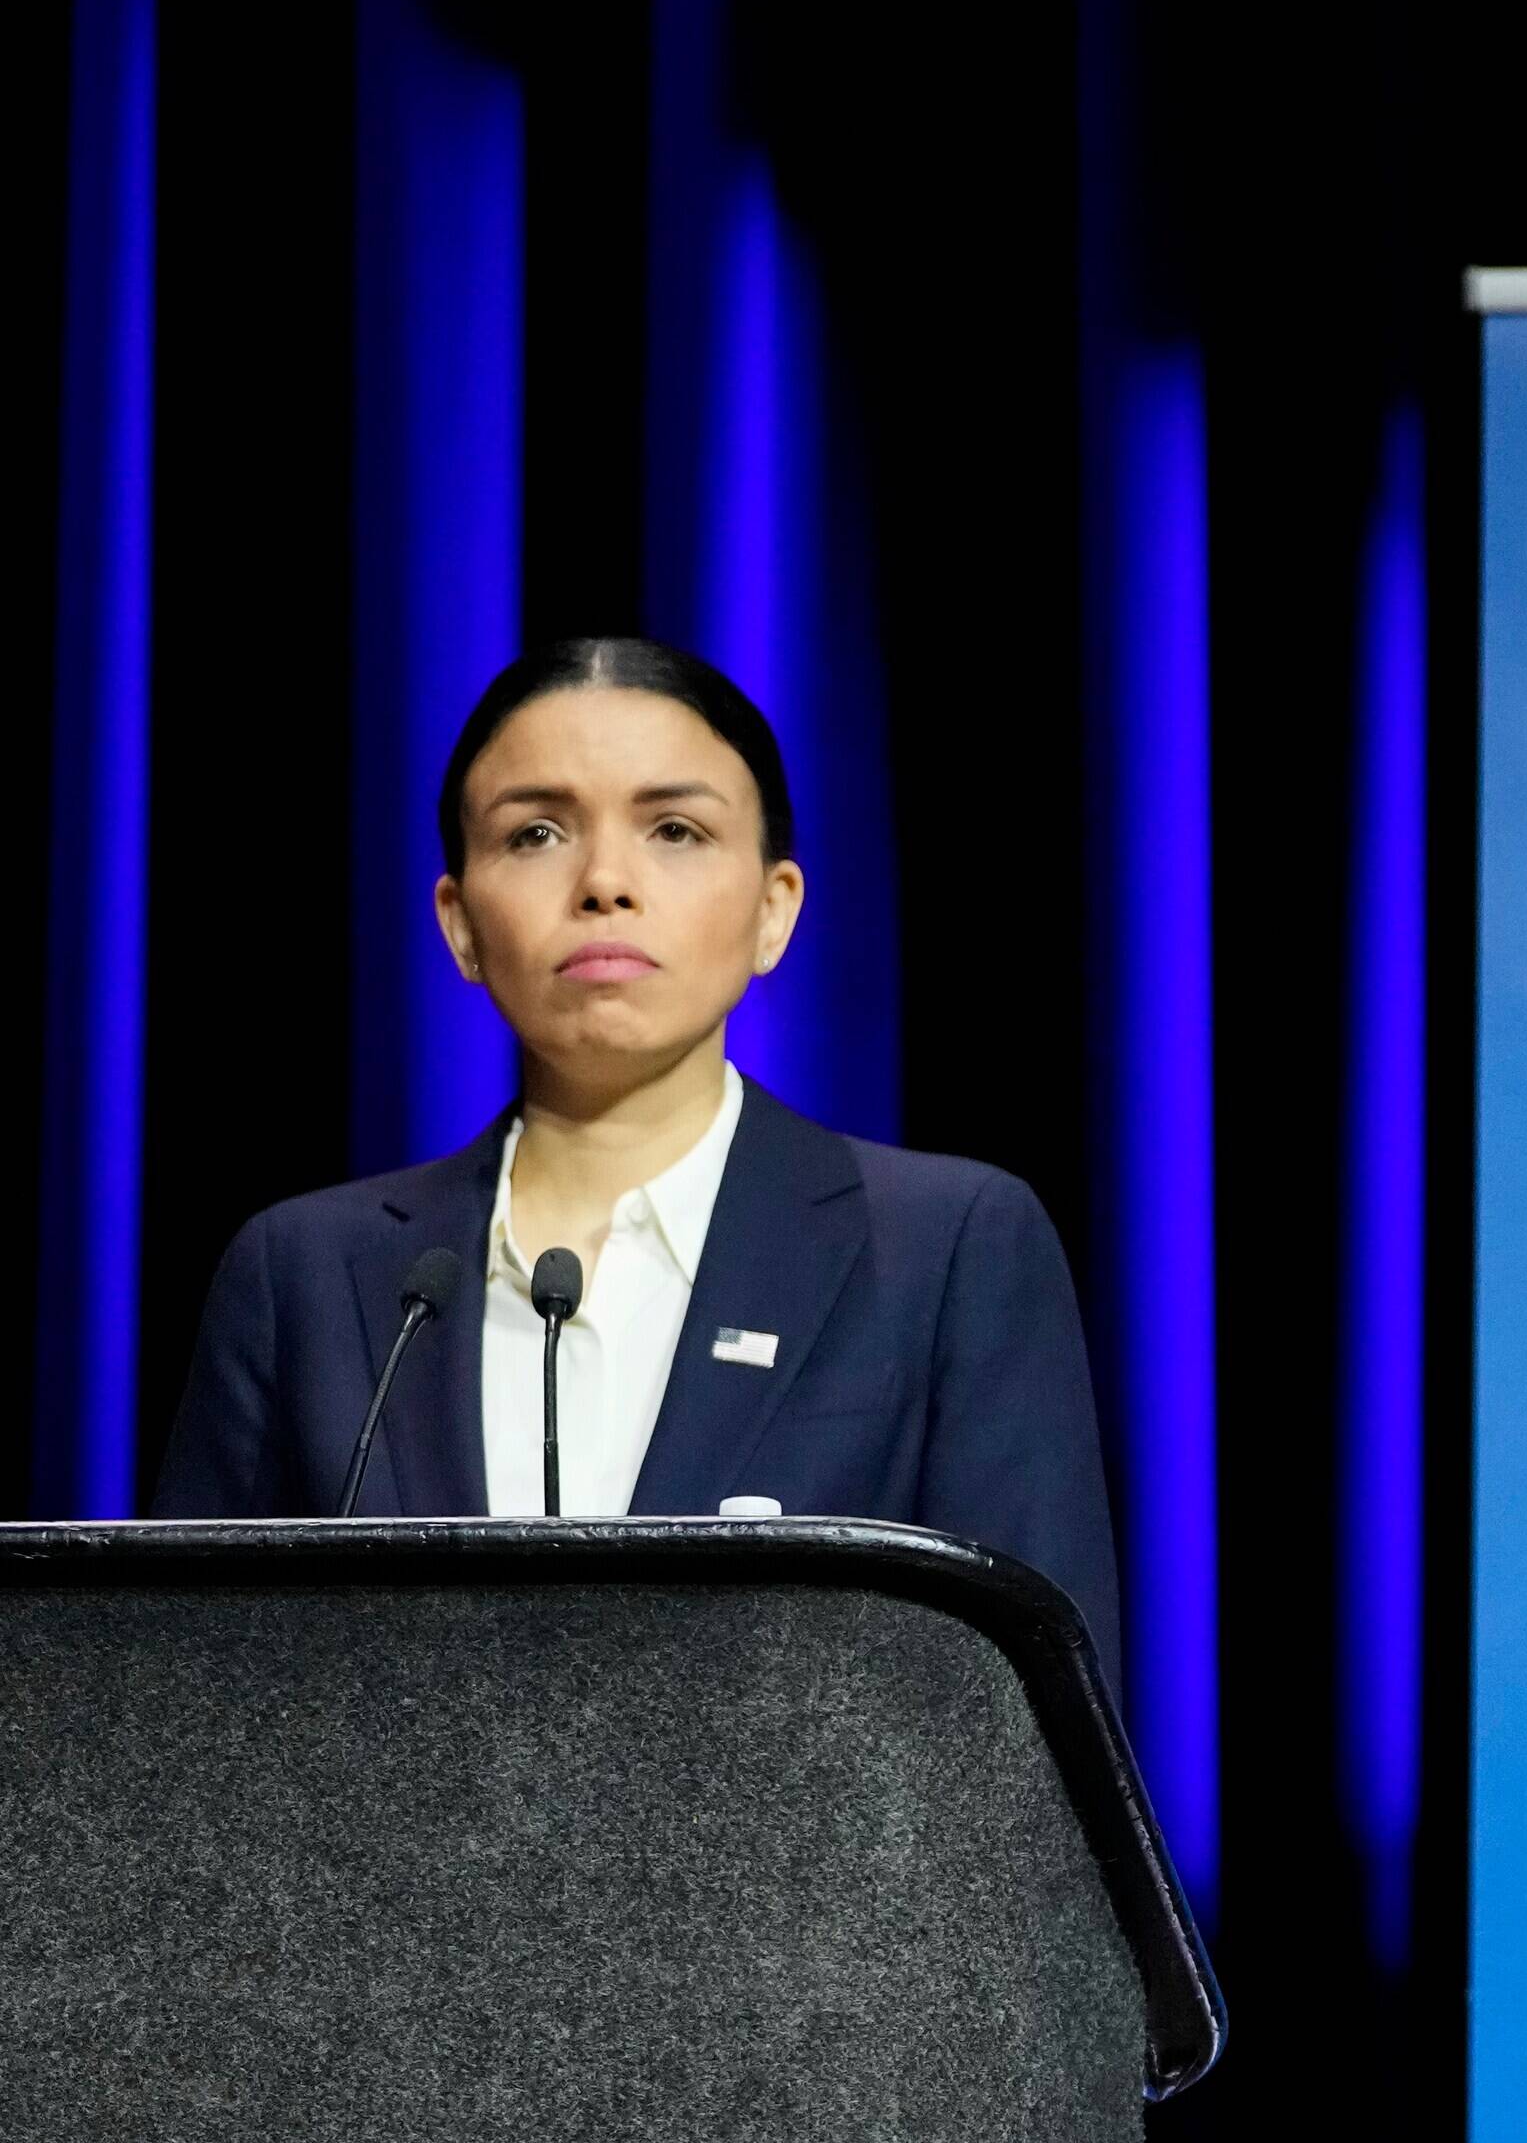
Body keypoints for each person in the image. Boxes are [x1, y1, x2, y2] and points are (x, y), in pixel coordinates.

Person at [154, 638, 1125, 1682]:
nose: (604, 882)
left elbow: (1036, 1736)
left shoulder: (947, 1247)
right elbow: (185, 1707)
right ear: (460, 924)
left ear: (773, 909)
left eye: (674, 829)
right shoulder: (303, 1273)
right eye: (535, 832)